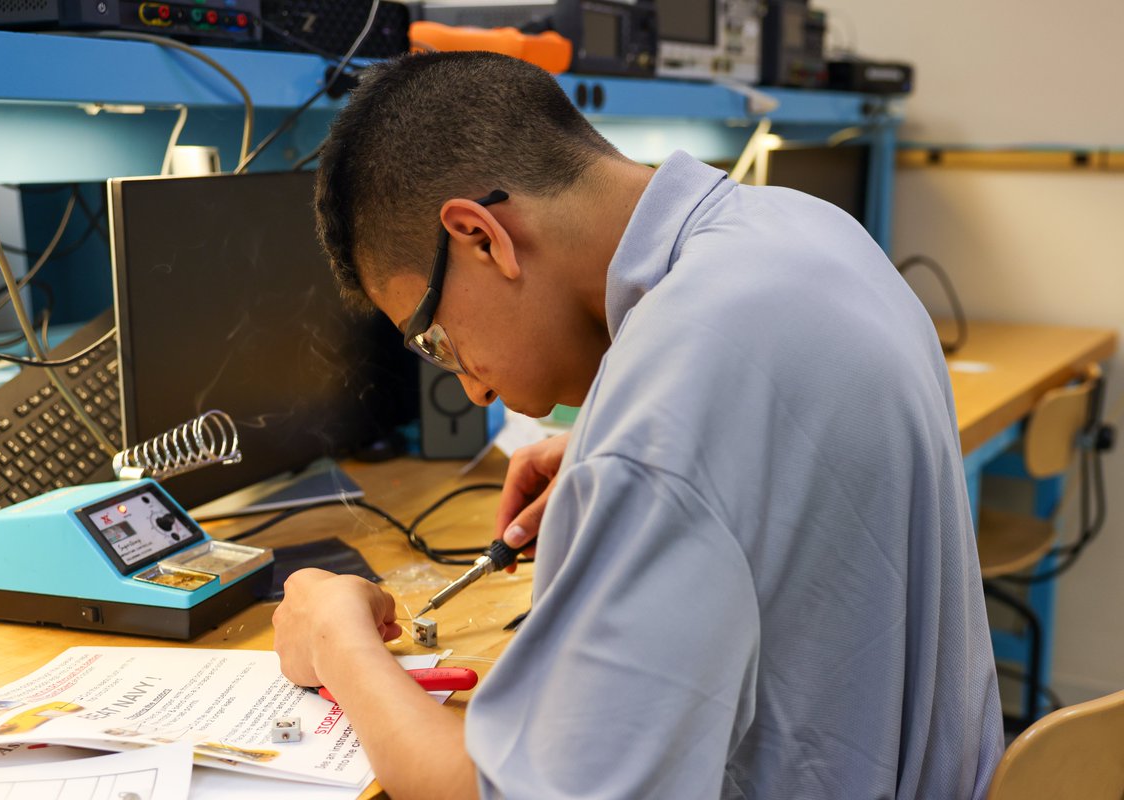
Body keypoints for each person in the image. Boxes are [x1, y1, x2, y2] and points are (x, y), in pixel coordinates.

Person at [272, 50, 1004, 798]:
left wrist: (339, 643)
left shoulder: (662, 422)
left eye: (434, 337)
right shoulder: (801, 226)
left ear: (480, 236)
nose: (470, 388)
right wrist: (624, 471)